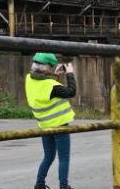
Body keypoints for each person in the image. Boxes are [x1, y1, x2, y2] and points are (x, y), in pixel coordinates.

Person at [25, 52, 76, 189]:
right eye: (51, 67)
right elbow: (71, 91)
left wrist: (55, 75)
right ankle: (64, 186)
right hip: (60, 125)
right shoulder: (52, 86)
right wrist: (69, 72)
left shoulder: (29, 79)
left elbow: (43, 82)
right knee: (64, 158)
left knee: (48, 156)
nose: (53, 69)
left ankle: (39, 184)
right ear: (47, 67)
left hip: (44, 125)